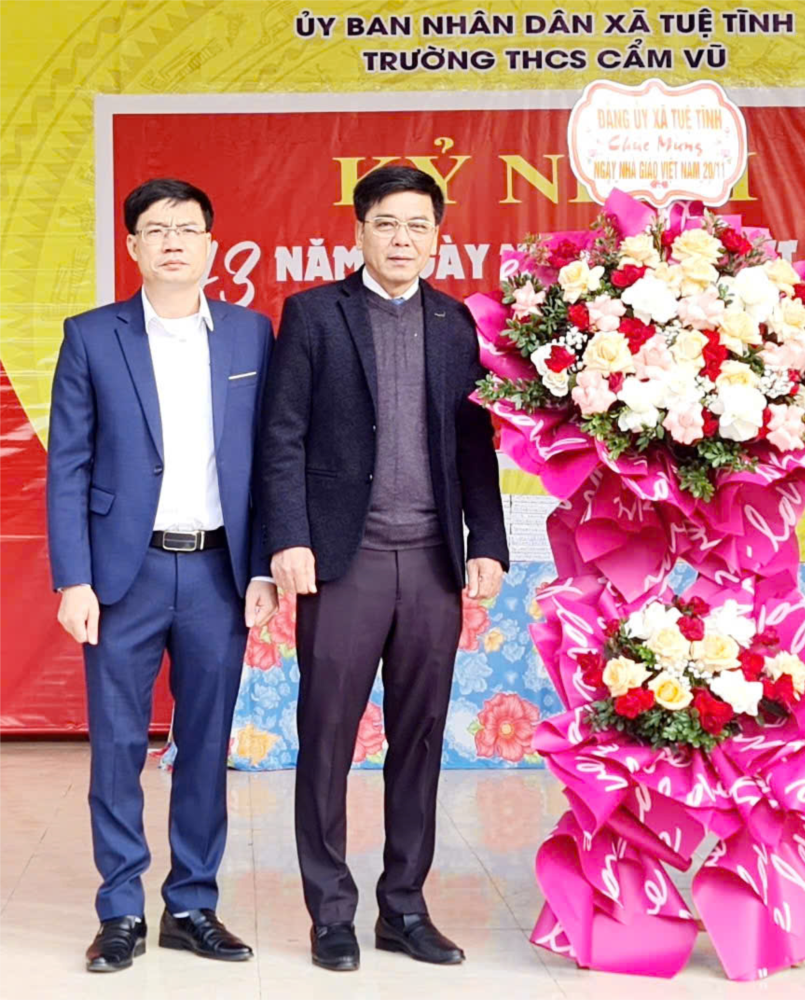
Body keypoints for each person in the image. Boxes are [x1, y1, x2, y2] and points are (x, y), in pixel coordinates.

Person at [259, 165, 509, 972]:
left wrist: (487, 541)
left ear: (438, 236)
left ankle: (403, 906)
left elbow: (474, 445)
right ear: (359, 230)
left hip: (432, 562)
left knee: (421, 739)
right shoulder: (313, 315)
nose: (403, 239)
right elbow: (282, 435)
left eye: (418, 226)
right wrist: (289, 536)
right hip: (345, 561)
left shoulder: (454, 323)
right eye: (387, 224)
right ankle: (330, 911)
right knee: (327, 735)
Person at [47, 178, 277, 972]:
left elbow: (270, 461)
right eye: (156, 229)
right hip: (125, 573)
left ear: (212, 245)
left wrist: (264, 566)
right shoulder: (91, 336)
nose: (173, 241)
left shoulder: (251, 335)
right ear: (133, 247)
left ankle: (191, 904)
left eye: (187, 228)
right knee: (116, 745)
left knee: (205, 744)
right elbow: (68, 465)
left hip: (219, 571)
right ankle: (120, 911)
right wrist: (73, 579)